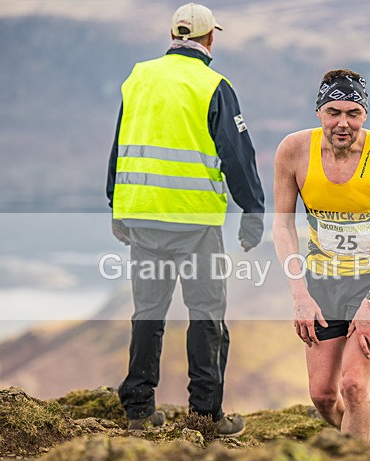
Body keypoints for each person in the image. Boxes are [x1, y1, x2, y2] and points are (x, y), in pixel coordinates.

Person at [106, 3, 265, 434]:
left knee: (148, 313)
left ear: (173, 35)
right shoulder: (214, 85)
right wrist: (253, 211)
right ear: (210, 38)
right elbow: (237, 154)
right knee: (206, 314)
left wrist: (115, 205)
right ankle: (205, 415)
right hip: (195, 225)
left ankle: (139, 410)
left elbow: (122, 143)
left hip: (142, 216)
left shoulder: (138, 77)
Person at [272, 69, 370, 445]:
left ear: (365, 115)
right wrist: (300, 296)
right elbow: (282, 227)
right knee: (322, 396)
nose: (343, 123)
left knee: (353, 385)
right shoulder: (293, 151)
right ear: (319, 112)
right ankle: (368, 439)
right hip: (322, 280)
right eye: (334, 112)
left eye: (353, 113)